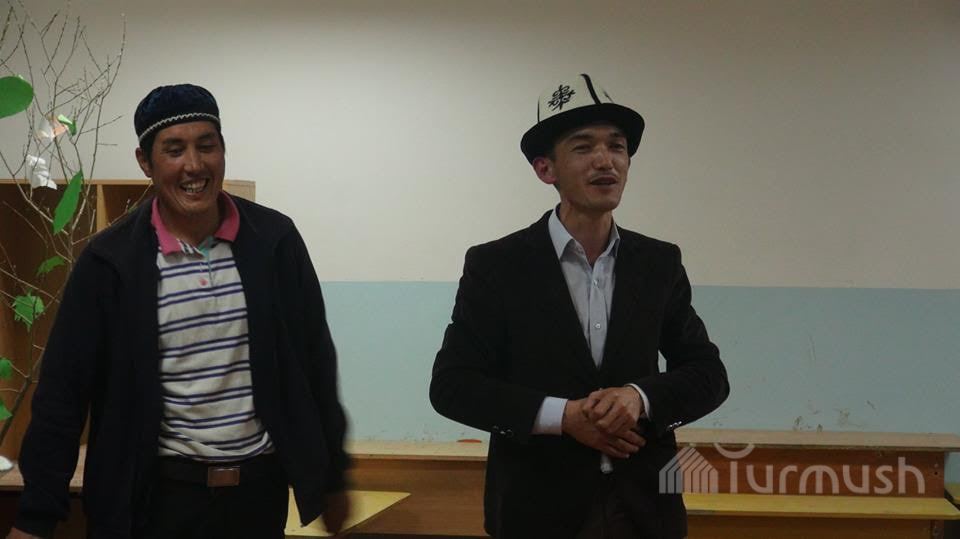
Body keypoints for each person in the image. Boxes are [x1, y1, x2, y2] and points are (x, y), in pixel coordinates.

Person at [9, 84, 350, 539]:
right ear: (145, 162)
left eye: (206, 146)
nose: (194, 165)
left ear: (223, 151)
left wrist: (332, 478)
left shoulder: (274, 242)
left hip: (257, 498)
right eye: (174, 150)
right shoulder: (110, 262)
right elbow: (63, 393)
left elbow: (315, 362)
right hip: (156, 503)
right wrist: (35, 517)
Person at [430, 74, 730, 539]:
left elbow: (708, 374)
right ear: (545, 169)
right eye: (584, 147)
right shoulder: (497, 265)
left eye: (617, 146)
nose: (605, 160)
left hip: (646, 508)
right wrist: (562, 417)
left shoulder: (658, 263)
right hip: (537, 509)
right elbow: (453, 385)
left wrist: (639, 397)